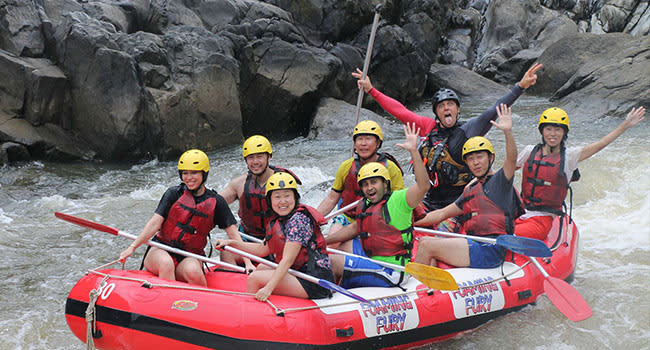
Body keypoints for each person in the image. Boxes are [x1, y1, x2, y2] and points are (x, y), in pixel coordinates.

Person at [353, 63, 542, 229]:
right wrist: (371, 90)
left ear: (458, 109)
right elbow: (400, 111)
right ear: (436, 112)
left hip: (460, 202)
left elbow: (495, 108)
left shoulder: (470, 129)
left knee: (443, 227)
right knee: (397, 218)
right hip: (430, 201)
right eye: (441, 106)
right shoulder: (428, 127)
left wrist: (520, 87)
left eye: (450, 104)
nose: (446, 108)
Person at [414, 104, 523, 269]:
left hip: (490, 250)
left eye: (480, 157)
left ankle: (417, 289)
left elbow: (511, 159)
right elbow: (441, 214)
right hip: (475, 244)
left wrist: (507, 132)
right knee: (430, 251)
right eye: (471, 159)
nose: (476, 163)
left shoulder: (500, 182)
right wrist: (412, 223)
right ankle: (431, 290)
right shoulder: (471, 190)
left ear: (491, 158)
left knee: (426, 244)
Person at [514, 106, 646, 240]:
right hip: (520, 211)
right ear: (542, 131)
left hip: (542, 220)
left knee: (507, 234)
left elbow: (601, 144)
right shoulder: (529, 151)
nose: (552, 134)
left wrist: (626, 124)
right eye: (548, 129)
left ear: (564, 133)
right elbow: (506, 171)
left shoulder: (570, 157)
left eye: (557, 129)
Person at [325, 123, 430, 288]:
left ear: (386, 184)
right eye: (365, 184)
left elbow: (423, 186)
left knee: (331, 261)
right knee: (337, 249)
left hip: (392, 271)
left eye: (374, 182)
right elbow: (354, 228)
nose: (369, 188)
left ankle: (327, 298)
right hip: (374, 258)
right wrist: (323, 241)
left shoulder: (399, 200)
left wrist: (414, 151)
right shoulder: (365, 204)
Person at [119, 149, 241, 287]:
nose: (189, 178)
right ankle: (167, 304)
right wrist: (132, 247)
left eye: (194, 173)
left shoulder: (217, 202)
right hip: (161, 249)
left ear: (204, 173)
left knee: (194, 271)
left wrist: (248, 263)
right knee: (166, 264)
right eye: (185, 173)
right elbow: (154, 224)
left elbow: (233, 234)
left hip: (190, 255)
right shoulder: (173, 194)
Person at [215, 172, 334, 301]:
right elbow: (261, 249)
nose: (282, 201)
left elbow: (287, 260)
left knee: (255, 279)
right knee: (261, 267)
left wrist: (268, 288)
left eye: (287, 196)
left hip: (315, 280)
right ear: (270, 200)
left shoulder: (298, 220)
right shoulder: (278, 221)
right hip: (299, 271)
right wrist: (232, 243)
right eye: (277, 197)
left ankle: (251, 314)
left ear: (295, 197)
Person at [219, 135, 301, 271]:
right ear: (246, 160)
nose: (255, 162)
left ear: (269, 157)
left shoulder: (283, 182)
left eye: (260, 157)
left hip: (275, 240)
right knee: (226, 251)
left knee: (268, 265)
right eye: (251, 157)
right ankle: (235, 284)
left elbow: (295, 214)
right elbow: (214, 203)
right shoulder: (239, 184)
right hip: (248, 238)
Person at [317, 120, 405, 236]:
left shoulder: (390, 168)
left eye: (368, 139)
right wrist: (313, 219)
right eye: (359, 139)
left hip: (379, 219)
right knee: (333, 237)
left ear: (378, 143)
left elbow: (400, 202)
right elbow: (332, 198)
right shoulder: (346, 167)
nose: (363, 144)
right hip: (349, 217)